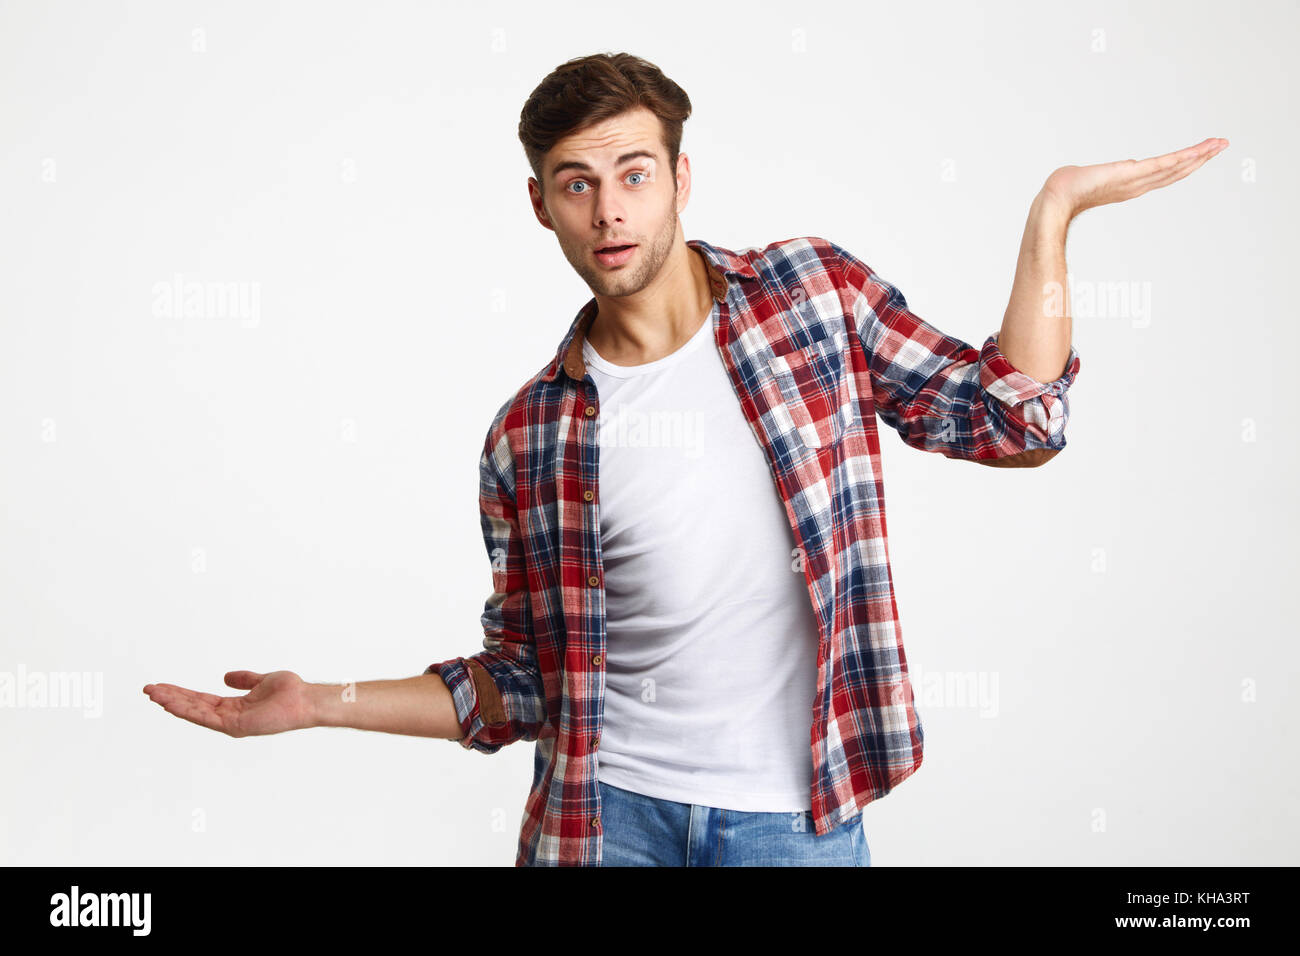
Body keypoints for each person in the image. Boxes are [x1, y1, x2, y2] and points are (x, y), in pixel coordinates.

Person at [143, 51, 1227, 867]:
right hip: (603, 821)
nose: (609, 208)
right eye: (575, 182)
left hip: (792, 822)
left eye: (632, 172)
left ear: (679, 176)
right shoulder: (529, 434)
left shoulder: (810, 298)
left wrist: (1054, 216)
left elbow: (1013, 420)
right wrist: (317, 701)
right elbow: (521, 680)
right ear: (539, 205)